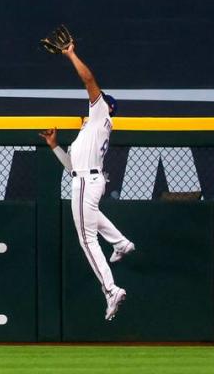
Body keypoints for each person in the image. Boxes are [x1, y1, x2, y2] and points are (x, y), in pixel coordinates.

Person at [39, 38, 135, 321]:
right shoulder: (88, 133)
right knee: (91, 219)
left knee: (86, 239)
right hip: (85, 179)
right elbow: (72, 168)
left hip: (86, 183)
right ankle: (121, 244)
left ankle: (110, 290)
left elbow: (89, 79)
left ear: (106, 106)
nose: (89, 104)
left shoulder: (100, 113)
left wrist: (70, 54)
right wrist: (55, 146)